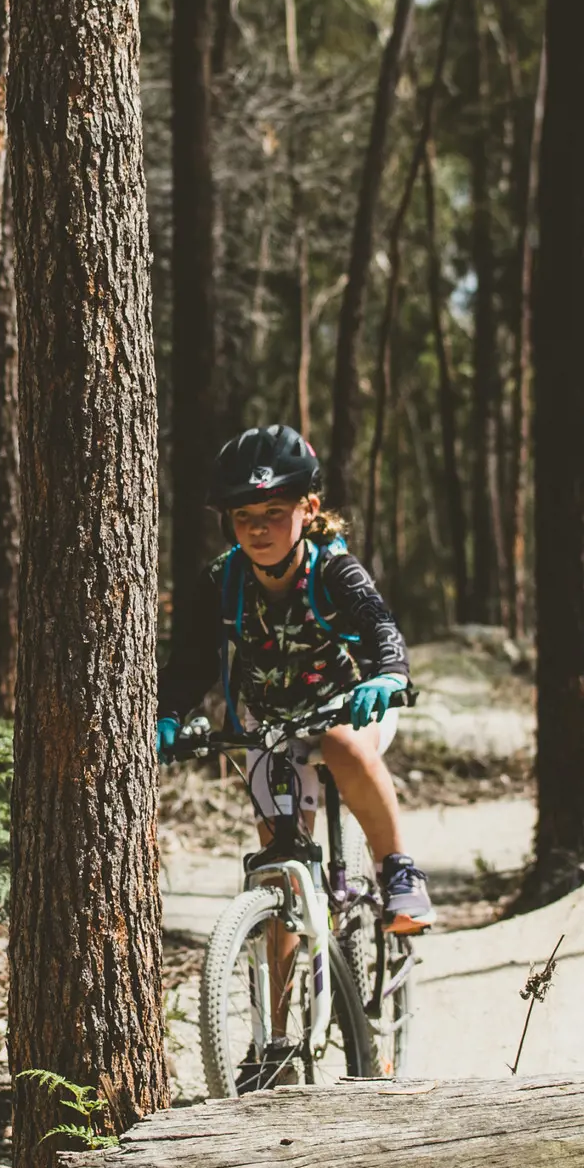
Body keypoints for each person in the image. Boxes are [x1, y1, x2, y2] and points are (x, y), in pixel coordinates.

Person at [156, 427, 430, 1084]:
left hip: (352, 706)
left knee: (336, 745)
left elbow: (379, 628)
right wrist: (166, 716)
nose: (258, 528)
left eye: (274, 513)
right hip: (268, 722)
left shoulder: (333, 568)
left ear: (308, 507)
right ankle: (277, 1040)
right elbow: (190, 661)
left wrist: (385, 677)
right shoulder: (221, 581)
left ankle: (396, 869)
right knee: (278, 867)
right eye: (244, 518)